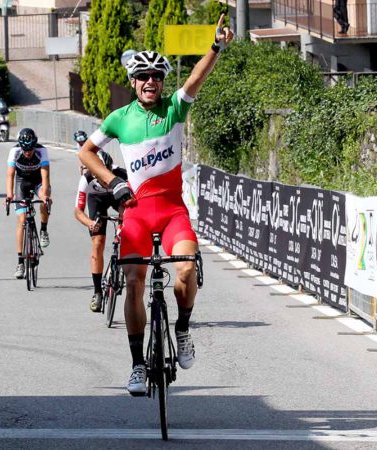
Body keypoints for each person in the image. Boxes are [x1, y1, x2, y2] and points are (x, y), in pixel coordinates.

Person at [78, 14, 234, 395]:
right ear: (133, 82)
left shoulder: (174, 109)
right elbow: (86, 152)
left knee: (186, 268)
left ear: (162, 82)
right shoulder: (119, 118)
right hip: (136, 212)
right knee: (133, 282)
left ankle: (182, 329)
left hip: (172, 210)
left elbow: (195, 77)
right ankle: (137, 364)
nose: (151, 82)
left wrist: (215, 46)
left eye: (156, 77)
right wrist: (113, 181)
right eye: (143, 76)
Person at [74, 150, 127, 312]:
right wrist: (90, 223)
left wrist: (122, 224)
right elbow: (78, 211)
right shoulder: (87, 179)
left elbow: (129, 204)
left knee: (127, 222)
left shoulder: (121, 174)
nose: (104, 179)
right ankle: (97, 292)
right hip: (96, 200)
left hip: (117, 199)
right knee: (98, 243)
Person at [5, 128, 52, 279]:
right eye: (25, 150)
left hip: (38, 181)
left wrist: (45, 196)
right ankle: (20, 262)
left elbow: (45, 176)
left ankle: (43, 230)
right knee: (22, 220)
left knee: (45, 198)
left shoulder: (42, 151)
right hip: (22, 183)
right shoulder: (14, 151)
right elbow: (10, 175)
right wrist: (9, 195)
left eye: (30, 150)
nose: (27, 153)